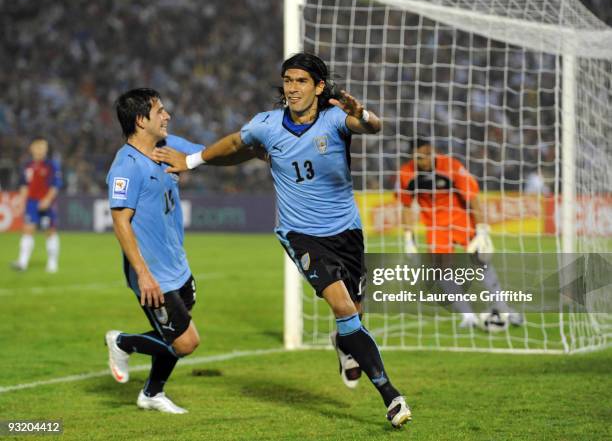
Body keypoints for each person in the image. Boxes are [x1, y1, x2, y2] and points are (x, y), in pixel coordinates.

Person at [152, 53, 412, 428]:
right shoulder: (268, 125)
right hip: (301, 233)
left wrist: (365, 113)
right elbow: (234, 145)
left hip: (347, 231)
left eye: (301, 81)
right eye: (288, 80)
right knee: (343, 308)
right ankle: (391, 397)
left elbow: (371, 125)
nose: (292, 88)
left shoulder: (336, 118)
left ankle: (345, 344)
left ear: (319, 87)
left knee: (354, 310)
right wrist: (192, 161)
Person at [105, 88, 223, 414]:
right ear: (141, 120)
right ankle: (121, 342)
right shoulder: (126, 166)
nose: (167, 115)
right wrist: (143, 274)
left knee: (173, 328)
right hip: (152, 271)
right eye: (160, 111)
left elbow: (209, 154)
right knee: (186, 341)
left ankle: (152, 393)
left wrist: (260, 146)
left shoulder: (167, 146)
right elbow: (121, 222)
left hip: (177, 263)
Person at [397, 137, 523, 329]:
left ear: (433, 151)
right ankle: (468, 316)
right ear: (413, 157)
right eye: (419, 158)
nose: (424, 161)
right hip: (435, 227)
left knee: (481, 261)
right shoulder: (406, 174)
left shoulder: (451, 166)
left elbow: (472, 198)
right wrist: (409, 239)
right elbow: (406, 206)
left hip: (460, 220)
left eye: (427, 155)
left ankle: (503, 307)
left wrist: (482, 230)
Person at [12, 138, 62, 273]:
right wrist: (23, 200)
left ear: (46, 149)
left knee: (50, 231)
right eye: (37, 146)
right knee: (28, 230)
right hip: (31, 203)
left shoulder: (52, 165)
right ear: (31, 148)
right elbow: (24, 185)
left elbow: (55, 186)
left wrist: (46, 200)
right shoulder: (27, 166)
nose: (40, 149)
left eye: (42, 147)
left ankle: (52, 263)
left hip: (47, 203)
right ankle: (22, 262)